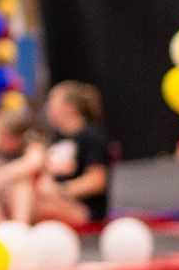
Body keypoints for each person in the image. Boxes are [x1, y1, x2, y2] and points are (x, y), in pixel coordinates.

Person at [11, 80, 111, 229]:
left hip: (84, 209)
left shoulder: (90, 136)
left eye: (52, 100)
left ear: (69, 108)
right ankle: (17, 230)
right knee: (18, 192)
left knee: (28, 203)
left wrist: (61, 190)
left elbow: (97, 181)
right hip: (56, 200)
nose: (47, 106)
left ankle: (18, 233)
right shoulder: (57, 137)